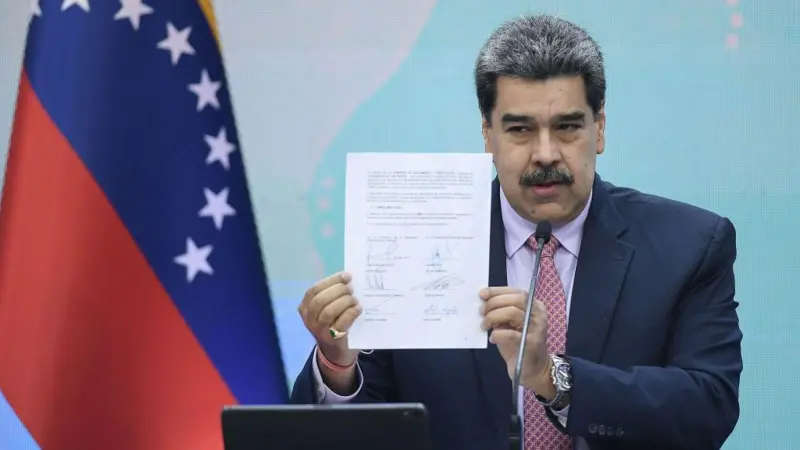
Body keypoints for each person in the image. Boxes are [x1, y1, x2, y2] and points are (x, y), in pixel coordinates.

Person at [290, 14, 743, 450]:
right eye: (521, 130)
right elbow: (366, 430)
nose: (545, 154)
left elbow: (708, 407)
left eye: (567, 127)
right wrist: (337, 364)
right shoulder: (416, 241)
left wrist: (552, 377)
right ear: (488, 134)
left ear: (599, 128)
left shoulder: (691, 245)